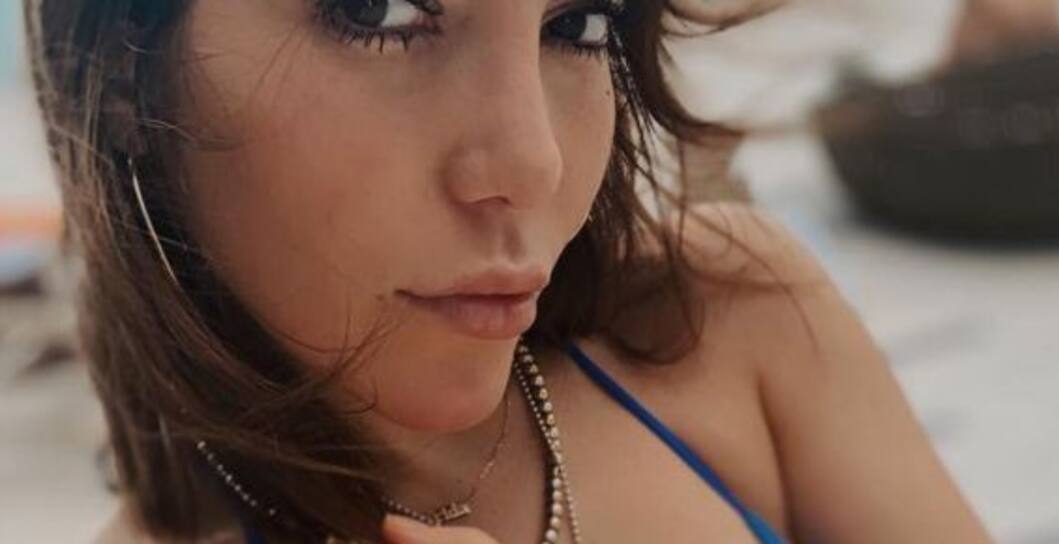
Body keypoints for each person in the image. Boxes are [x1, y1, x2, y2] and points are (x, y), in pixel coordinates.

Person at [25, 1, 992, 542]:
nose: (534, 162)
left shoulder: (729, 321)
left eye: (579, 26)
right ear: (125, 74)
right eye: (381, 11)